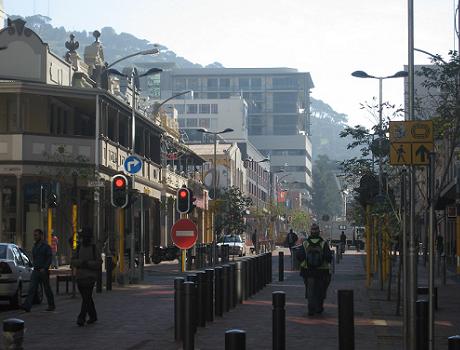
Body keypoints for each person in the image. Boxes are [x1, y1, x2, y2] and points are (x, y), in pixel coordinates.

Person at [296, 223, 332, 316]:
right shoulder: (323, 243)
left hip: (307, 271)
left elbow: (300, 256)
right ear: (319, 232)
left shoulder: (305, 243)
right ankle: (319, 307)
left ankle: (311, 308)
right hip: (322, 271)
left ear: (310, 232)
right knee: (321, 289)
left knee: (309, 289)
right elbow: (329, 257)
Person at [71, 227, 102, 327]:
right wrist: (81, 263)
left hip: (90, 277)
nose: (85, 239)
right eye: (84, 237)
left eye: (86, 237)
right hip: (80, 277)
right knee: (87, 297)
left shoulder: (94, 248)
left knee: (86, 297)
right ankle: (93, 316)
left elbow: (99, 262)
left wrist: (88, 264)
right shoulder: (79, 248)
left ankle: (81, 317)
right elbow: (73, 260)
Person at [21, 229, 55, 312]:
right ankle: (27, 306)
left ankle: (51, 305)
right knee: (32, 288)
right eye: (34, 235)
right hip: (36, 270)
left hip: (43, 271)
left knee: (47, 289)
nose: (35, 237)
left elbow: (49, 258)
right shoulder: (35, 246)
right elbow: (35, 258)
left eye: (36, 235)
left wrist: (45, 268)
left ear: (41, 235)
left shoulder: (46, 246)